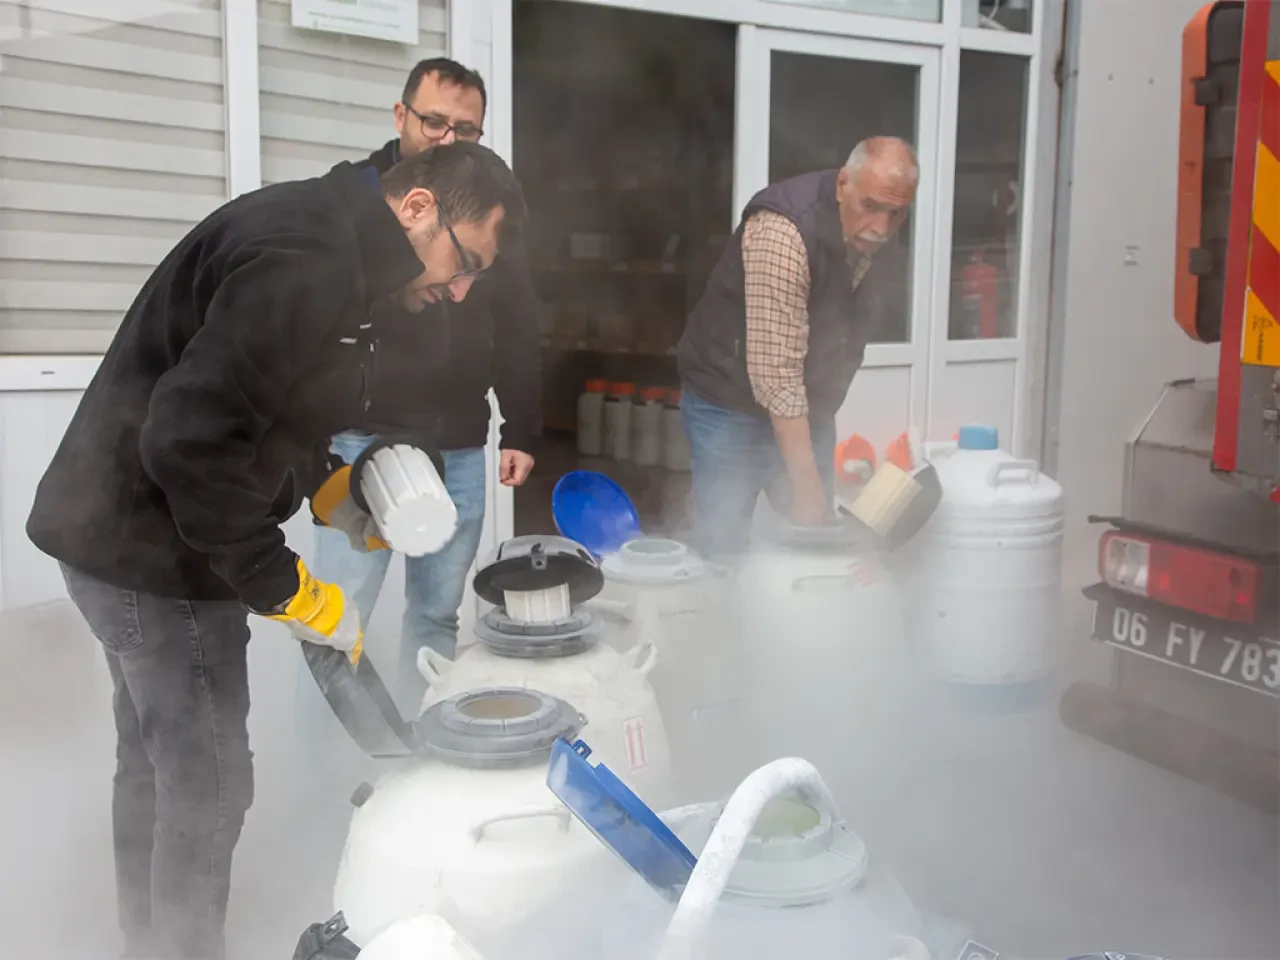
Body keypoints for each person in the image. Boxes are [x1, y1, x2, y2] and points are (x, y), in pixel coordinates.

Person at [25, 141, 525, 960]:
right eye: (463, 260)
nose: (459, 289)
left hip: (114, 533)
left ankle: (145, 942)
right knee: (209, 785)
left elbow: (267, 403)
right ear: (417, 208)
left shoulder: (332, 238)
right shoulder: (310, 262)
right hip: (157, 557)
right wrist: (282, 583)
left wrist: (326, 486)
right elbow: (189, 440)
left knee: (154, 767)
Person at [312, 57, 542, 689]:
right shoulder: (354, 196)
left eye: (465, 129)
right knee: (336, 619)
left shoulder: (493, 212)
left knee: (437, 615)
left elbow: (521, 322)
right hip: (364, 440)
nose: (447, 139)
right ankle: (327, 772)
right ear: (400, 115)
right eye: (434, 121)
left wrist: (522, 425)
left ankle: (419, 752)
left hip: (460, 443)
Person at [676, 137, 918, 563]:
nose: (881, 228)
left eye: (895, 213)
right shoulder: (783, 231)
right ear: (844, 184)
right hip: (728, 401)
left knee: (814, 547)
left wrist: (814, 491)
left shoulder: (875, 237)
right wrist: (807, 492)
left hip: (807, 406)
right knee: (724, 540)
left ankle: (793, 625)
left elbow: (842, 337)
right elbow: (777, 376)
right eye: (871, 206)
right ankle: (713, 621)